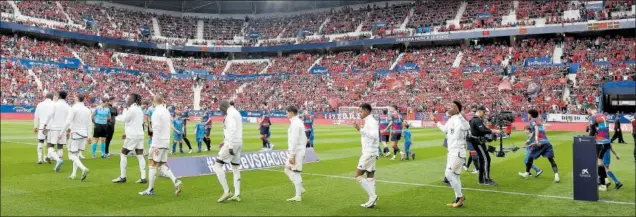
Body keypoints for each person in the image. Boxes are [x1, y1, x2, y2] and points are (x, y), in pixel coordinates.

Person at [139, 94, 183, 196]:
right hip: (166, 141)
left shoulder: (156, 113)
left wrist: (154, 146)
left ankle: (150, 189)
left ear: (154, 102)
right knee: (162, 164)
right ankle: (176, 181)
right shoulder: (167, 112)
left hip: (158, 143)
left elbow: (157, 129)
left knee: (152, 165)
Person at [430, 100, 470, 208]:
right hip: (451, 152)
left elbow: (467, 127)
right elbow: (445, 130)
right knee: (455, 176)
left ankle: (460, 196)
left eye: (452, 106)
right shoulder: (451, 119)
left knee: (448, 174)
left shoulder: (460, 120)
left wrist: (460, 114)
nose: (449, 108)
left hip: (458, 151)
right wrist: (436, 121)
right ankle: (458, 199)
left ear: (457, 109)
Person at [112, 93, 147, 184]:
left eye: (128, 99)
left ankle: (122, 177)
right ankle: (143, 177)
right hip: (140, 134)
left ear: (132, 100)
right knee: (140, 155)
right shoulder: (139, 108)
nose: (126, 100)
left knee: (123, 154)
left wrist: (119, 114)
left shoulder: (132, 109)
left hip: (133, 135)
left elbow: (124, 119)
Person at [213, 100, 243, 203]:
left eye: (221, 110)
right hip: (238, 142)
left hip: (232, 143)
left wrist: (229, 145)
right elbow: (233, 130)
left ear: (224, 107)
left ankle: (227, 191)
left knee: (217, 165)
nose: (221, 112)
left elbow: (232, 129)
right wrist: (225, 141)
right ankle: (237, 194)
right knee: (235, 168)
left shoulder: (230, 114)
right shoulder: (236, 113)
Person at [352, 103, 379, 208]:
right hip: (370, 152)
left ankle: (373, 196)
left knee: (358, 175)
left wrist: (360, 130)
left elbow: (374, 136)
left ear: (366, 111)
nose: (360, 113)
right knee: (370, 175)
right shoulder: (368, 121)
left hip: (369, 153)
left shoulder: (371, 122)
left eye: (361, 111)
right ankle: (373, 201)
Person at [60, 93, 91, 181]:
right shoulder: (87, 110)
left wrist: (62, 131)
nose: (74, 98)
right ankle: (73, 174)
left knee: (71, 155)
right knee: (76, 155)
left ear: (77, 98)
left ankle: (83, 168)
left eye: (75, 97)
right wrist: (89, 136)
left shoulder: (74, 108)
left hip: (76, 133)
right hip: (84, 134)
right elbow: (89, 124)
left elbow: (68, 121)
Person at [468, 106, 501, 186]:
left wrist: (491, 132)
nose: (484, 113)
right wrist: (494, 131)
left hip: (478, 141)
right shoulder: (476, 120)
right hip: (478, 142)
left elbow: (482, 130)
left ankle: (481, 179)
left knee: (484, 160)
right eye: (484, 112)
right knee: (486, 160)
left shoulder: (475, 119)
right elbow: (482, 130)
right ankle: (486, 179)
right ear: (480, 111)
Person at [283, 105, 308, 202]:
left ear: (291, 113)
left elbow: (294, 140)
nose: (286, 114)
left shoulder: (296, 124)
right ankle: (300, 187)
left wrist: (292, 155)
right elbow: (305, 138)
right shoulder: (298, 122)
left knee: (296, 172)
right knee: (287, 169)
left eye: (287, 112)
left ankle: (298, 195)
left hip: (296, 151)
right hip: (298, 150)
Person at [43, 91, 71, 172]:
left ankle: (58, 160)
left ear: (58, 96)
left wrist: (45, 125)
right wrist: (68, 129)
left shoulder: (55, 104)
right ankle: (58, 162)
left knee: (50, 145)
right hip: (63, 128)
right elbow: (69, 120)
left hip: (54, 127)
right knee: (60, 146)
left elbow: (49, 115)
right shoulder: (68, 106)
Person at [586, 104, 610, 191]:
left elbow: (592, 131)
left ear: (589, 109)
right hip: (607, 141)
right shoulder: (603, 115)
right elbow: (600, 128)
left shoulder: (593, 116)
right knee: (600, 160)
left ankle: (603, 185)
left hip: (601, 142)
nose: (587, 112)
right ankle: (606, 180)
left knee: (599, 162)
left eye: (587, 110)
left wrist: (588, 139)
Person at [33, 93, 54, 164]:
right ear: (52, 97)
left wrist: (35, 126)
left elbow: (36, 117)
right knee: (50, 143)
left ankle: (39, 159)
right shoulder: (54, 104)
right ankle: (48, 157)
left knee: (41, 141)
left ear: (45, 97)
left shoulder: (40, 104)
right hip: (51, 126)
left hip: (42, 125)